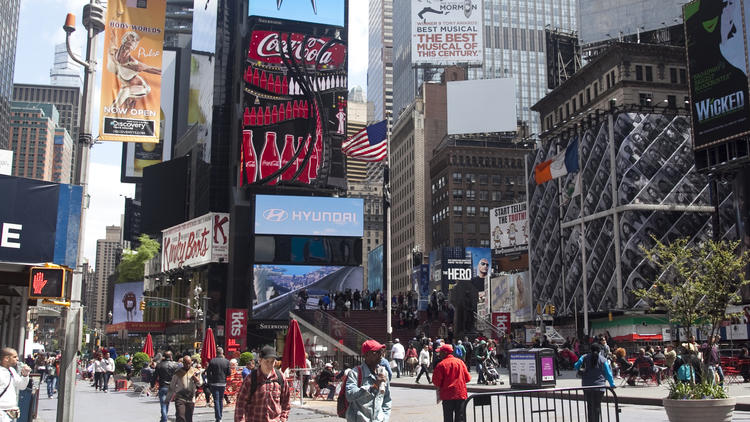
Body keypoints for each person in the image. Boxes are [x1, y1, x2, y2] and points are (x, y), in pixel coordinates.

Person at [106, 30, 162, 109]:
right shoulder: (113, 52)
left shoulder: (134, 64)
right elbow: (112, 36)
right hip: (126, 86)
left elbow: (153, 69)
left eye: (133, 42)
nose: (131, 42)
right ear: (124, 41)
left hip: (141, 87)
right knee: (122, 97)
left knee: (123, 95)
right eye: (130, 40)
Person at [234, 345, 290, 422]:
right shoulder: (251, 379)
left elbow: (286, 401)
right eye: (266, 361)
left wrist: (283, 418)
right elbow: (240, 404)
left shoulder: (280, 378)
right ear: (260, 361)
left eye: (272, 361)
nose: (269, 365)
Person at [345, 340, 391, 422]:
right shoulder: (355, 373)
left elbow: (387, 399)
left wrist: (385, 417)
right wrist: (373, 387)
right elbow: (349, 395)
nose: (380, 355)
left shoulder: (383, 373)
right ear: (366, 355)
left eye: (381, 352)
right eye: (376, 352)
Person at [574, 343, 615, 422]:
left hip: (587, 386)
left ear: (590, 350)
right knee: (597, 406)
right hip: (600, 387)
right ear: (600, 351)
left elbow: (576, 366)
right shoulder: (603, 359)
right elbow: (608, 373)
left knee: (590, 406)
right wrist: (612, 384)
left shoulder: (584, 357)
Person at [432, 344, 471, 422]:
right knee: (460, 418)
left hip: (447, 395)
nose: (439, 354)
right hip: (460, 394)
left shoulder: (441, 365)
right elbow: (468, 378)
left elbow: (436, 382)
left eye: (440, 352)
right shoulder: (460, 362)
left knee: (448, 418)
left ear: (445, 352)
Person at [166, 355, 202, 422]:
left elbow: (200, 384)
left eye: (189, 363)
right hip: (180, 398)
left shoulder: (196, 371)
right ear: (183, 363)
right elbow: (172, 386)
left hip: (191, 398)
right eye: (185, 363)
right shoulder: (178, 373)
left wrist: (194, 377)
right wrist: (168, 398)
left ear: (191, 362)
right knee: (180, 416)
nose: (187, 365)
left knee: (189, 418)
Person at [0, 348, 31, 422]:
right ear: (6, 358)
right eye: (14, 357)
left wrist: (25, 375)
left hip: (11, 411)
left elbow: (22, 386)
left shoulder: (12, 371)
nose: (17, 359)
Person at [153, 351, 180, 422]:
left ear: (164, 357)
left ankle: (164, 419)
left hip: (163, 387)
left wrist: (152, 384)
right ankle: (163, 418)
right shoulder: (175, 365)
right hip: (172, 387)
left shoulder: (159, 365)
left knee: (163, 404)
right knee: (166, 403)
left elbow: (155, 376)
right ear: (171, 356)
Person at [206, 347, 231, 422]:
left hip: (214, 382)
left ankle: (218, 417)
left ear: (216, 353)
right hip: (222, 382)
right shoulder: (226, 361)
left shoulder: (212, 361)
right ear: (222, 353)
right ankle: (220, 416)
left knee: (216, 400)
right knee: (220, 399)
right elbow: (229, 373)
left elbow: (208, 372)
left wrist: (210, 380)